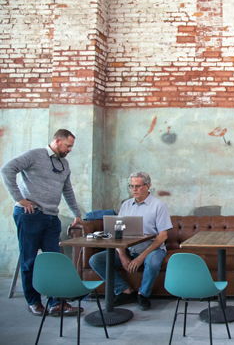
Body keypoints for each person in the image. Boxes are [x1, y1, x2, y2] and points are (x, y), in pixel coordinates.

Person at [1, 129, 83, 317]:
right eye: (68, 145)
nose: (70, 149)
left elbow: (67, 190)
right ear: (57, 141)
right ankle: (33, 301)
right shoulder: (35, 155)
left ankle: (56, 303)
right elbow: (7, 169)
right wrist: (20, 199)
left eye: (71, 146)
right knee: (29, 260)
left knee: (55, 261)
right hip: (30, 215)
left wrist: (76, 213)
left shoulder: (64, 164)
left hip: (51, 218)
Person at [89, 172, 172, 310]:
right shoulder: (126, 205)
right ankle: (124, 291)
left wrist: (141, 257)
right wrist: (122, 255)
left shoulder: (159, 205)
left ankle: (143, 295)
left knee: (152, 262)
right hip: (128, 249)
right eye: (131, 186)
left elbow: (163, 236)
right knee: (96, 260)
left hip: (152, 250)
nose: (134, 189)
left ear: (147, 186)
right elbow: (117, 234)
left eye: (138, 186)